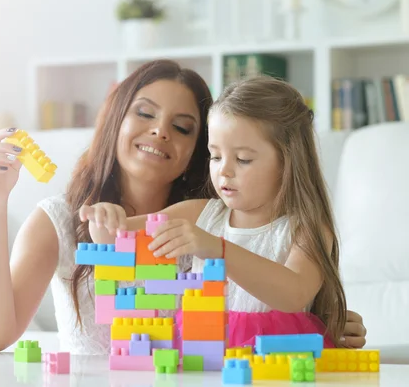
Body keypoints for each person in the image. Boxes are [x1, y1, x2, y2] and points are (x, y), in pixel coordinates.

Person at [0, 60, 367, 354]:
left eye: (182, 127)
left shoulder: (209, 216)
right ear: (114, 120)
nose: (160, 130)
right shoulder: (64, 220)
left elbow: (286, 289)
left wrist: (321, 320)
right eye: (144, 113)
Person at [83, 75, 356, 348]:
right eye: (215, 156)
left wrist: (217, 249)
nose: (223, 170)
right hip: (202, 351)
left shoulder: (306, 229)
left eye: (243, 159)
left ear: (288, 162)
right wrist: (105, 218)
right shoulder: (200, 215)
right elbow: (114, 240)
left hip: (278, 362)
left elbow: (294, 294)